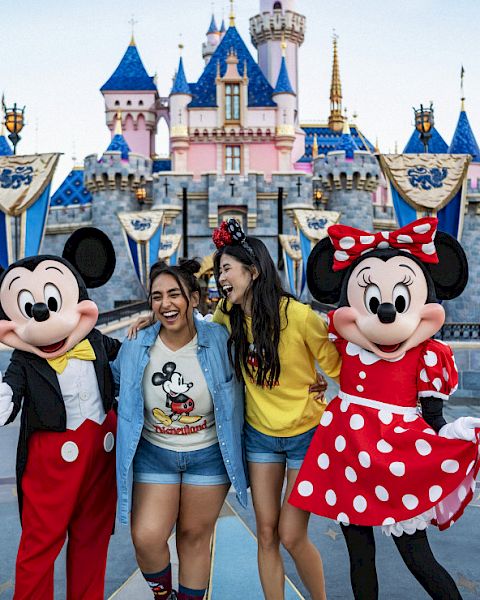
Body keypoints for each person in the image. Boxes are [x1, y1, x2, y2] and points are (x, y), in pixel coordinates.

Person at [289, 217, 480, 600]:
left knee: (417, 557)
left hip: (398, 461)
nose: (387, 313)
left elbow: (433, 417)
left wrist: (453, 438)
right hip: (350, 456)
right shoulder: (345, 344)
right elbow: (298, 337)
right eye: (374, 302)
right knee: (359, 557)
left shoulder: (427, 355)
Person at [210, 219, 341, 600]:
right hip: (260, 438)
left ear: (253, 271)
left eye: (226, 270)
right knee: (266, 533)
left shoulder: (298, 316)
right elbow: (189, 330)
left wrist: (332, 396)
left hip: (305, 436)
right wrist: (148, 322)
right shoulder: (226, 313)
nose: (220, 278)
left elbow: (341, 369)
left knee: (291, 534)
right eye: (219, 271)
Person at [112, 259, 248, 600]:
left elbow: (262, 354)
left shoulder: (221, 339)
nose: (165, 304)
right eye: (157, 297)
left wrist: (311, 381)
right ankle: (163, 595)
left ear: (195, 299)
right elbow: (107, 379)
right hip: (155, 455)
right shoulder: (136, 344)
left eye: (174, 294)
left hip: (208, 456)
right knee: (146, 536)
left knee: (193, 536)